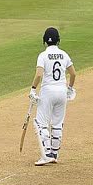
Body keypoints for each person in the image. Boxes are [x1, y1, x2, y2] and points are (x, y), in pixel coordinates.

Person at [29, 27, 76, 166]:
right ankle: (54, 154)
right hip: (61, 91)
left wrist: (32, 89)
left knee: (40, 123)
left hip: (47, 91)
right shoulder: (64, 54)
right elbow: (73, 74)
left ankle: (46, 155)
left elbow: (39, 74)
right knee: (57, 123)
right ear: (58, 40)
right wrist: (70, 88)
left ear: (44, 41)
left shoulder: (43, 55)